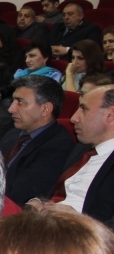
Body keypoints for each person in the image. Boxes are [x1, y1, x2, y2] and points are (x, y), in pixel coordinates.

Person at [39, 84, 114, 224]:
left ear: (110, 115)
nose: (73, 118)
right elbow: (54, 189)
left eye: (83, 109)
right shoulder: (82, 148)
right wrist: (38, 202)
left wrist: (80, 222)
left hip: (79, 232)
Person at [0, 75, 75, 205]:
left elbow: (20, 195)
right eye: (13, 101)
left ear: (45, 109)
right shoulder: (13, 133)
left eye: (20, 102)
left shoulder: (59, 147)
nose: (11, 109)